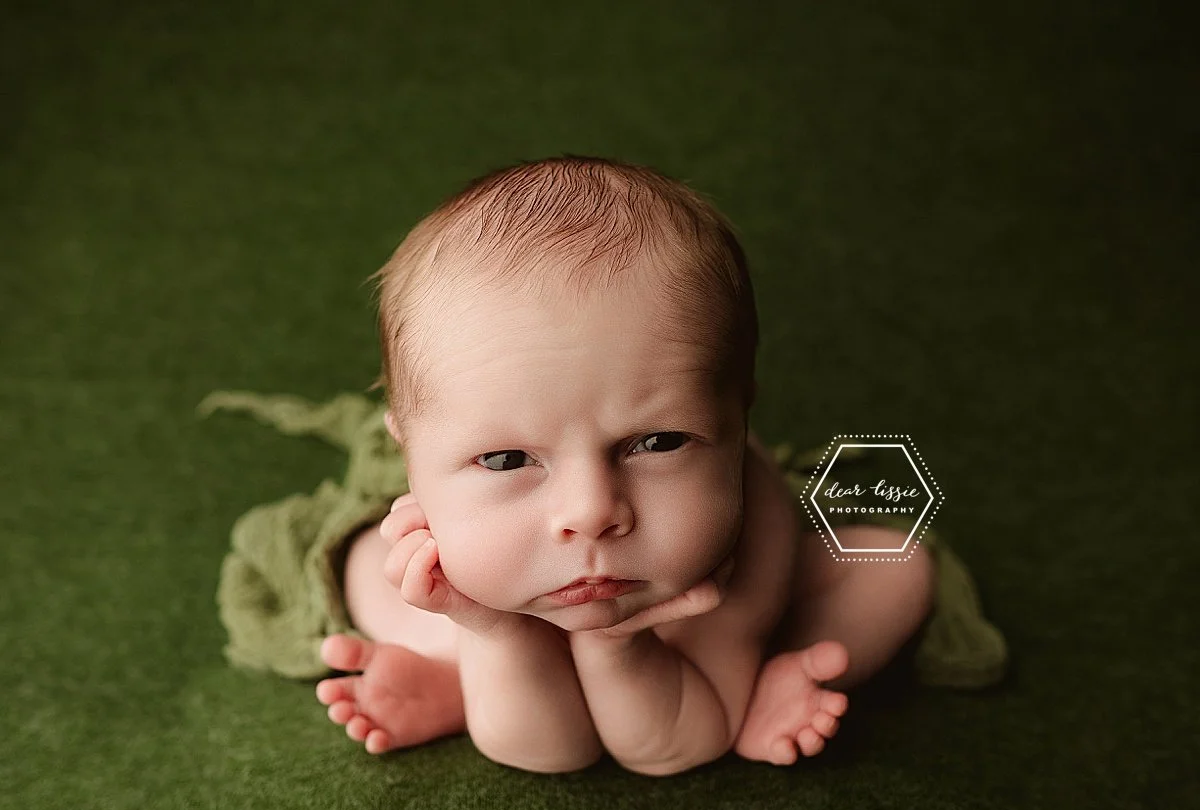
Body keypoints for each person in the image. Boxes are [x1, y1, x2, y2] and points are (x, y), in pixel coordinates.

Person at [314, 155, 935, 775]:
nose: (591, 512)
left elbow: (672, 748)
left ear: (736, 418)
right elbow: (549, 754)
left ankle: (756, 681)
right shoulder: (470, 541)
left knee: (897, 567)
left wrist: (618, 645)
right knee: (374, 561)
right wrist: (491, 632)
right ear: (408, 453)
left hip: (696, 645)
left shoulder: (736, 547)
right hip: (492, 600)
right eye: (506, 460)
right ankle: (458, 668)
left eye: (659, 443)